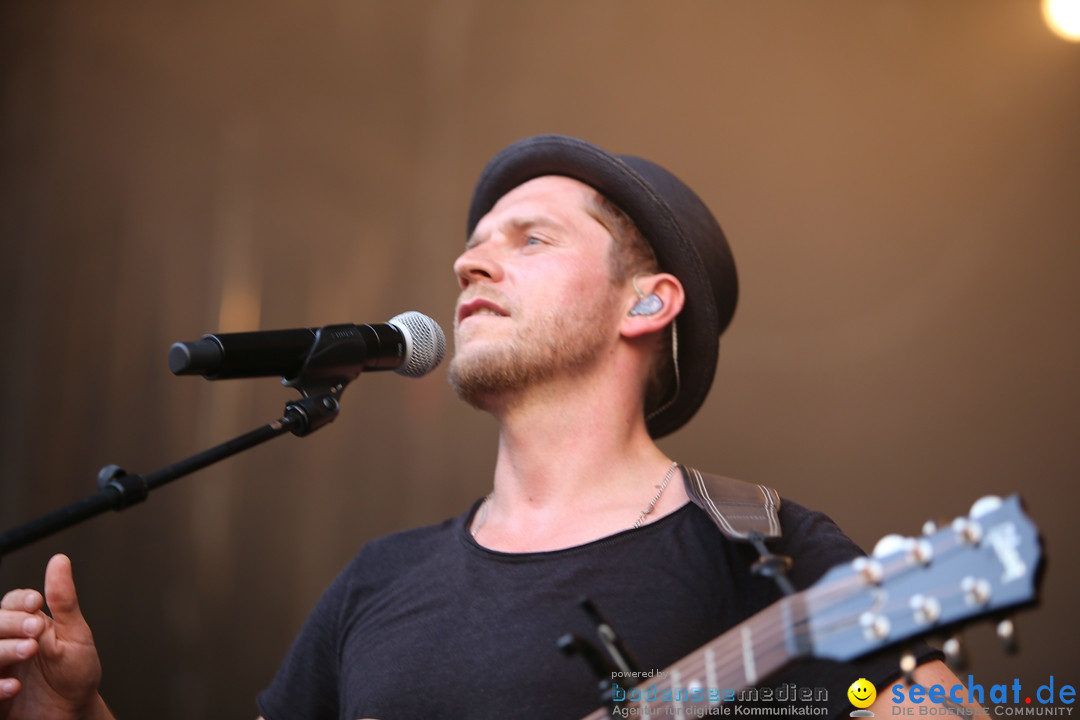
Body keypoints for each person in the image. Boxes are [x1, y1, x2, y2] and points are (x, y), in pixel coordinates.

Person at [1, 135, 962, 719]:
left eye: (530, 238)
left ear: (647, 304)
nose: (469, 266)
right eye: (470, 247)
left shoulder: (766, 548)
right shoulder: (379, 579)